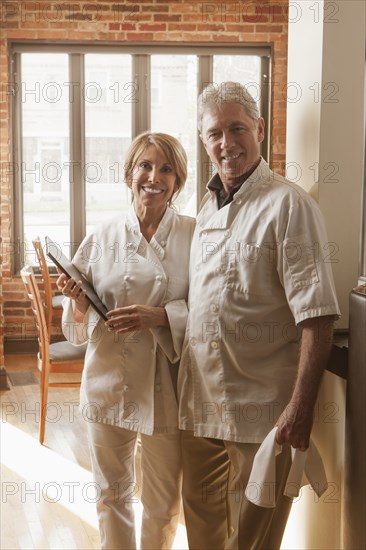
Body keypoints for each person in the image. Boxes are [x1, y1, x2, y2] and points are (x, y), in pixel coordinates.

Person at [178, 82, 341, 550]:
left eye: (237, 129)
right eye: (214, 133)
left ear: (260, 130)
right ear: (203, 139)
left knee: (251, 543)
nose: (226, 143)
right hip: (199, 412)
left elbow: (318, 316)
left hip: (264, 420)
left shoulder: (290, 206)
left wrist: (300, 408)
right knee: (205, 541)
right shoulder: (206, 206)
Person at [57, 132, 195, 550]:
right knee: (111, 495)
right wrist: (78, 303)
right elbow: (73, 330)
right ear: (128, 174)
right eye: (146, 166)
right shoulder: (102, 237)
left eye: (166, 169)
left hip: (167, 387)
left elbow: (210, 311)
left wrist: (161, 316)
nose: (154, 176)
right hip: (107, 382)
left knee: (162, 502)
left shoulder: (195, 236)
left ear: (178, 181)